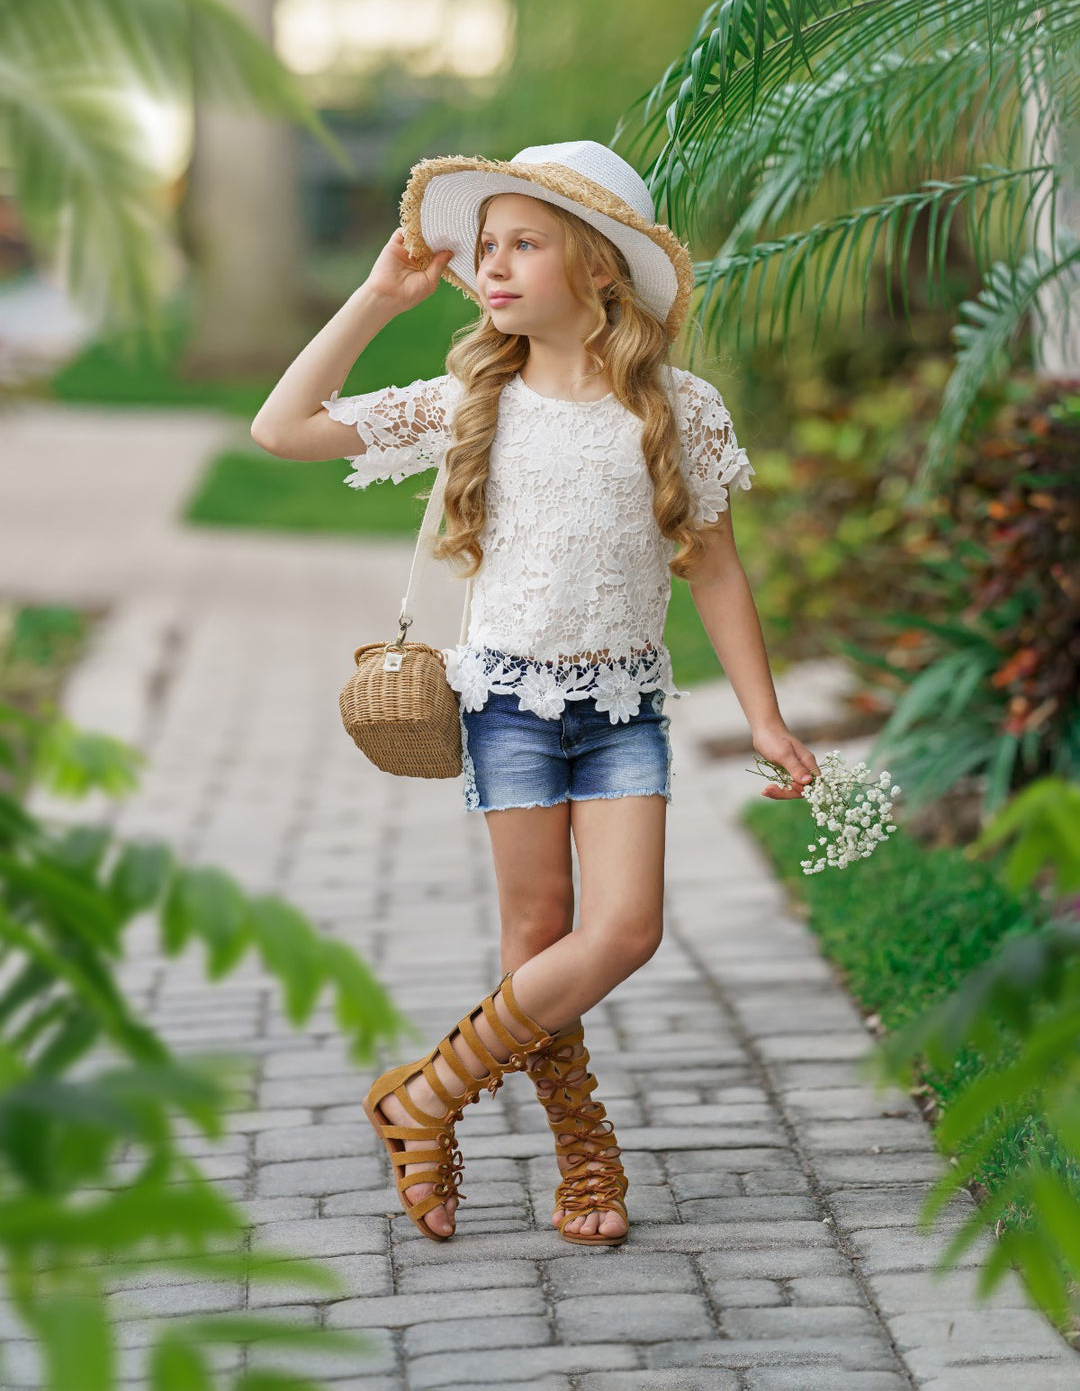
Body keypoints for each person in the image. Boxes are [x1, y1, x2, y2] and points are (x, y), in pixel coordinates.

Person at [251, 140, 820, 1248]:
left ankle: (424, 1095)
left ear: (600, 268)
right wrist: (376, 297)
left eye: (525, 244)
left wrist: (763, 715)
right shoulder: (476, 396)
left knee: (625, 930)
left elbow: (717, 567)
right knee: (540, 937)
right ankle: (584, 1159)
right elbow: (282, 429)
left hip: (623, 713)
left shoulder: (678, 409)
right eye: (488, 245)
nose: (493, 265)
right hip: (507, 704)